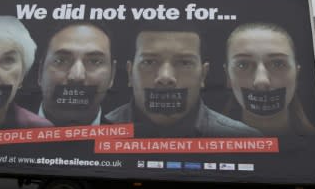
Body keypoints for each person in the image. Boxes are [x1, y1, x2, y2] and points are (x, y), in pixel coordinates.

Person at [105, 26, 260, 137]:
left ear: (203, 75)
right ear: (130, 73)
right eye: (149, 62)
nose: (166, 78)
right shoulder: (96, 134)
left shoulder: (244, 139)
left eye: (185, 63)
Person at [223, 22, 315, 136]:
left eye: (278, 64)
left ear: (296, 75)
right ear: (228, 76)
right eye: (243, 64)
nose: (261, 81)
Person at [37, 22, 116, 126]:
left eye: (95, 61)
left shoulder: (129, 141)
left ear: (112, 75)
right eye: (61, 60)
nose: (77, 76)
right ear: (40, 71)